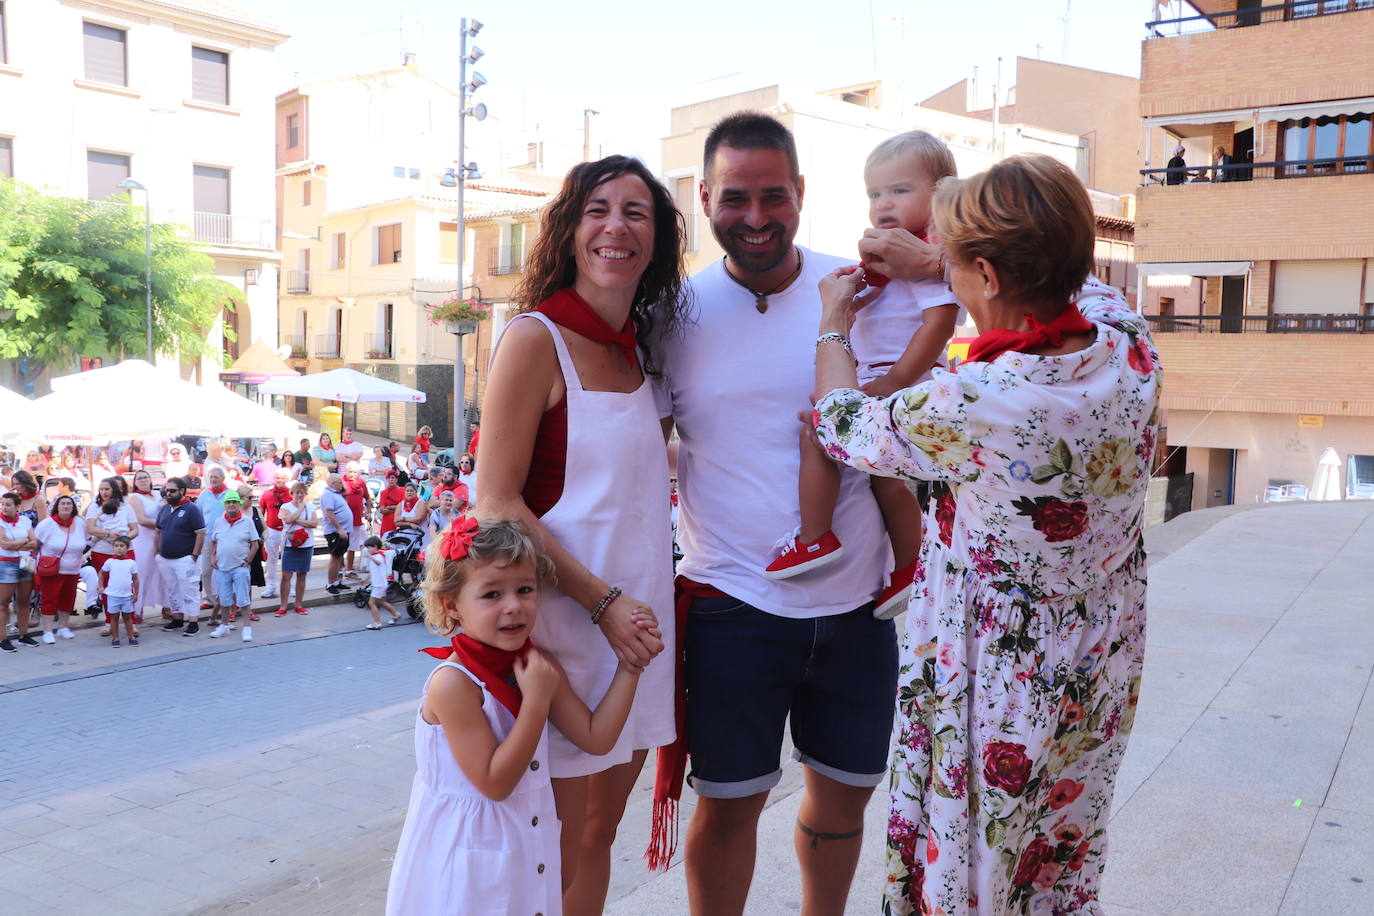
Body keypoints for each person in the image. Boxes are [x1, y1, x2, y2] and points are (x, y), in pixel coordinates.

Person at [811, 154, 1159, 914]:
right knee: (1058, 842)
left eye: (961, 264)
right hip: (1098, 654)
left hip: (996, 671)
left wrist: (834, 319)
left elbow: (843, 426)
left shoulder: (978, 398)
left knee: (977, 854)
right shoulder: (1130, 344)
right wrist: (943, 257)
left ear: (989, 278)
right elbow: (1080, 282)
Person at [651, 113, 896, 913]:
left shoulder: (860, 290)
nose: (755, 219)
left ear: (801, 195)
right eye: (734, 199)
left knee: (844, 802)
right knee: (727, 805)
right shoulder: (670, 313)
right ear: (704, 197)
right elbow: (639, 449)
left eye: (772, 197)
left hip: (859, 603)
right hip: (730, 605)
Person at [480, 153, 682, 910]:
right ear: (569, 231)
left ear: (656, 240)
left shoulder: (642, 353)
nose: (616, 227)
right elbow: (496, 501)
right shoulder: (536, 339)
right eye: (598, 210)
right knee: (552, 850)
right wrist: (602, 604)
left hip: (633, 640)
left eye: (636, 212)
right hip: (565, 630)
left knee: (599, 836)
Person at [385, 518, 645, 915]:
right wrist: (537, 703)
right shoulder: (454, 684)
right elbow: (495, 782)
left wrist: (631, 667)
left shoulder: (535, 665)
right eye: (491, 594)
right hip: (470, 858)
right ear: (452, 605)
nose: (514, 605)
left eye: (525, 590)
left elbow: (595, 737)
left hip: (526, 843)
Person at [764, 131, 961, 621]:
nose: (882, 204)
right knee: (883, 477)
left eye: (898, 190)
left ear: (940, 192)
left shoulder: (923, 254)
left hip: (902, 382)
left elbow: (938, 326)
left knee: (818, 432)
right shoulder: (901, 257)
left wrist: (893, 382)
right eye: (874, 194)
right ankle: (910, 563)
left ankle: (814, 537)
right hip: (888, 379)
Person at [84, 477, 138, 630]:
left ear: (114, 489)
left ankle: (131, 623)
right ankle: (109, 622)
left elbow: (135, 529)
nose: (104, 492)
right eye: (101, 489)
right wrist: (108, 533)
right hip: (102, 551)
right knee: (107, 587)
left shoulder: (125, 507)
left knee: (128, 585)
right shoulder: (94, 507)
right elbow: (91, 528)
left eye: (107, 489)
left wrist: (124, 539)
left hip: (126, 551)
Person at [33, 494, 88, 643]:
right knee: (49, 599)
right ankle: (48, 630)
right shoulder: (47, 524)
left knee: (68, 599)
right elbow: (36, 543)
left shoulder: (80, 523)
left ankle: (63, 627)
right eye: (62, 503)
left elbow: (87, 540)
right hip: (52, 569)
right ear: (57, 506)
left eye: (69, 504)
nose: (66, 506)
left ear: (73, 507)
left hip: (73, 568)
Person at [156, 477, 207, 636]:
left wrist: (195, 555)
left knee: (189, 589)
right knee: (172, 590)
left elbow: (200, 533)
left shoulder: (191, 508)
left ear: (182, 491)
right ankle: (177, 618)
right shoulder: (165, 509)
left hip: (185, 557)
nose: (168, 493)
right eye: (166, 490)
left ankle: (193, 621)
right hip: (166, 558)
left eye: (172, 490)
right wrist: (157, 553)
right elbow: (158, 531)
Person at [208, 491, 260, 642]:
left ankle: (247, 628)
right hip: (222, 567)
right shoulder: (218, 521)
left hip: (240, 567)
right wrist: (213, 556)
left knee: (243, 599)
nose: (231, 505)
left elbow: (255, 544)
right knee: (224, 599)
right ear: (224, 505)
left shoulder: (247, 521)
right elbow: (213, 541)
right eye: (228, 502)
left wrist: (248, 561)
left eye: (234, 502)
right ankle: (224, 626)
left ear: (239, 504)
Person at [0, 491, 39, 651]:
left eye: (8, 505)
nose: (4, 507)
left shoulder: (24, 520)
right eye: (3, 504)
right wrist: (24, 541)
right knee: (3, 603)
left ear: (17, 506)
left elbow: (35, 542)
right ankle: (3, 639)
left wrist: (15, 543)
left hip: (24, 563)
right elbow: (4, 545)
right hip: (7, 564)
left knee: (24, 602)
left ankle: (24, 635)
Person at [127, 470, 166, 622]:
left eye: (145, 477)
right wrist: (164, 525)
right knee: (142, 574)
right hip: (144, 540)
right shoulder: (134, 498)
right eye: (140, 478)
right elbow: (142, 520)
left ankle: (167, 606)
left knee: (163, 573)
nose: (143, 480)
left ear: (150, 479)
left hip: (160, 539)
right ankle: (137, 609)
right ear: (135, 482)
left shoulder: (157, 495)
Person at [196, 467, 234, 623]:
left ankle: (225, 600)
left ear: (223, 478)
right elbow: (198, 515)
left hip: (226, 538)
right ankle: (210, 599)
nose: (213, 480)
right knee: (205, 571)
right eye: (210, 477)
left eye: (216, 477)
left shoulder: (230, 494)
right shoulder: (204, 494)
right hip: (207, 538)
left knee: (225, 570)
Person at [277, 482, 316, 616]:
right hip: (290, 544)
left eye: (302, 492)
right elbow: (287, 520)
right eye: (297, 492)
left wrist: (297, 521)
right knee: (286, 575)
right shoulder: (285, 506)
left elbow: (314, 523)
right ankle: (283, 606)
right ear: (292, 493)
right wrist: (299, 510)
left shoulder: (311, 507)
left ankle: (298, 604)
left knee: (302, 574)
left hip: (306, 544)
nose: (299, 495)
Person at [259, 469, 293, 600]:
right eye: (277, 478)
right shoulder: (267, 493)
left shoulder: (291, 493)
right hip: (272, 530)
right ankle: (271, 586)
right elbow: (261, 511)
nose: (279, 480)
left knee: (288, 559)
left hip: (287, 530)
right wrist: (264, 528)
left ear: (286, 479)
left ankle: (290, 587)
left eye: (282, 478)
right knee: (271, 560)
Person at [100, 536, 139, 647]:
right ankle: (115, 638)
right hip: (113, 595)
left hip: (127, 595)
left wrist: (136, 593)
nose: (119, 548)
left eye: (122, 546)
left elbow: (135, 578)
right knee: (114, 617)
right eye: (116, 546)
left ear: (127, 548)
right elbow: (102, 573)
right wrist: (101, 586)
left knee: (127, 617)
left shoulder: (131, 563)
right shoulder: (110, 562)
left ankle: (131, 636)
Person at [318, 473, 352, 595]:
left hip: (342, 530)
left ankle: (336, 581)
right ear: (333, 483)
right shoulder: (328, 495)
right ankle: (330, 583)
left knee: (339, 556)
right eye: (340, 482)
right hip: (335, 531)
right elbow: (329, 513)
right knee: (335, 557)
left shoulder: (336, 494)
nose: (341, 485)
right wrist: (339, 528)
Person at [361, 535, 400, 629]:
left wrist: (370, 557)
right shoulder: (376, 556)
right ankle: (396, 614)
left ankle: (377, 622)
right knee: (382, 601)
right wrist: (365, 579)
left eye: (369, 547)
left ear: (375, 546)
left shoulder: (379, 556)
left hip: (379, 584)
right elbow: (373, 571)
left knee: (372, 603)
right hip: (379, 583)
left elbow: (378, 563)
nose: (368, 550)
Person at [341, 463, 372, 581]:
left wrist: (368, 511)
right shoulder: (341, 483)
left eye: (354, 472)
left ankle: (349, 570)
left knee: (352, 546)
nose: (352, 474)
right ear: (346, 471)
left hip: (356, 519)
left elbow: (368, 498)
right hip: (343, 520)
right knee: (341, 546)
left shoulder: (361, 482)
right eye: (350, 471)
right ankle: (340, 570)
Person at [394, 481, 431, 548]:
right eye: (407, 491)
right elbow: (396, 522)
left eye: (411, 491)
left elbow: (418, 520)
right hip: (403, 536)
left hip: (419, 536)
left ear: (416, 492)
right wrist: (410, 524)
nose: (409, 492)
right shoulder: (400, 504)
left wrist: (402, 518)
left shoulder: (421, 503)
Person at [376, 469, 405, 538]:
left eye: (393, 478)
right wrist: (396, 507)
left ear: (396, 479)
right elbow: (382, 510)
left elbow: (403, 506)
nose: (391, 480)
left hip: (398, 520)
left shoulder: (402, 490)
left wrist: (389, 507)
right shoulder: (383, 493)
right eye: (389, 478)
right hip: (387, 522)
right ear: (386, 480)